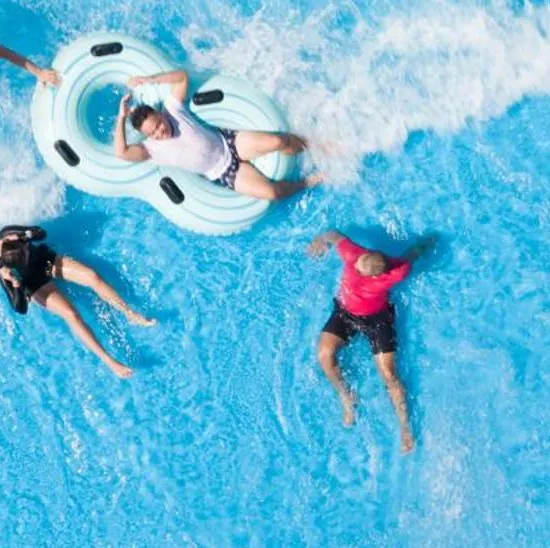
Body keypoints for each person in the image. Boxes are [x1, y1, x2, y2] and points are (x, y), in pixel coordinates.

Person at [306, 229, 428, 453]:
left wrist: (422, 246)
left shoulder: (396, 272)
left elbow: (409, 257)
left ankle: (404, 426)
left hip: (377, 320)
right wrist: (320, 241)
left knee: (389, 374)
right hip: (344, 314)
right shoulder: (354, 255)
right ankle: (347, 396)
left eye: (358, 268)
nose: (353, 266)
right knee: (324, 355)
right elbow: (333, 234)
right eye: (356, 263)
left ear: (375, 276)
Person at [113, 68, 316, 202]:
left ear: (160, 115)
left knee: (278, 141)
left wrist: (150, 80)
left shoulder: (172, 109)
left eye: (158, 124)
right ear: (146, 135)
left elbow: (182, 77)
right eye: (153, 133)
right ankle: (306, 182)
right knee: (272, 193)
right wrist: (121, 117)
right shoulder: (150, 150)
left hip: (229, 143)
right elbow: (121, 153)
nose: (160, 132)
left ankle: (315, 146)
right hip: (224, 172)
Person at [0, 225, 153, 379]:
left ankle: (129, 314)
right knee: (71, 314)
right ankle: (110, 362)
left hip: (45, 262)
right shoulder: (2, 268)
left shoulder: (8, 235)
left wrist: (24, 235)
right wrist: (15, 283)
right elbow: (20, 308)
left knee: (92, 276)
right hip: (34, 285)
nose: (28, 254)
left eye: (27, 251)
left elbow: (41, 233)